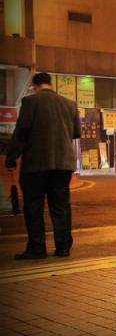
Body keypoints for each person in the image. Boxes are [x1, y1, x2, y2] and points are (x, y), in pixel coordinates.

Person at [6, 72, 81, 259]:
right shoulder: (69, 104)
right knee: (61, 206)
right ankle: (63, 248)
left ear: (34, 85)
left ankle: (37, 248)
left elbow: (21, 132)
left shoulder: (31, 102)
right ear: (51, 85)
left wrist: (11, 158)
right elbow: (76, 133)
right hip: (63, 164)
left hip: (36, 164)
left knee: (33, 207)